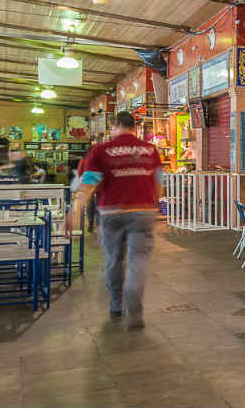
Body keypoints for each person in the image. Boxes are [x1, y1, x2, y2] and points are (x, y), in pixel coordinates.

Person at [71, 112, 163, 328]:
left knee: (113, 259)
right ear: (134, 127)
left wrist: (74, 213)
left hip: (110, 212)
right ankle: (133, 294)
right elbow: (159, 181)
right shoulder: (150, 149)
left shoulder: (100, 150)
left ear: (115, 126)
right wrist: (154, 203)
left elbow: (89, 184)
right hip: (142, 209)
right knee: (138, 258)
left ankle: (116, 305)